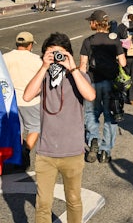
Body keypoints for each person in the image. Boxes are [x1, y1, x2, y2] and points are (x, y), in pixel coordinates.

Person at [23, 32, 95, 223]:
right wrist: (44, 67)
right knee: (43, 204)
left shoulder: (78, 77)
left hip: (72, 152)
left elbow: (90, 96)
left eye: (60, 53)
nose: (56, 58)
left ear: (68, 54)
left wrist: (73, 69)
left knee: (74, 200)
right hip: (46, 153)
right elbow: (27, 96)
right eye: (51, 53)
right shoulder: (44, 77)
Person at [79, 10, 127, 164]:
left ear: (95, 23)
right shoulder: (115, 40)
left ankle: (93, 139)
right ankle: (105, 151)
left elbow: (82, 66)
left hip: (92, 83)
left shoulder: (88, 41)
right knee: (110, 116)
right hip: (110, 84)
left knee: (91, 113)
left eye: (90, 21)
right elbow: (123, 63)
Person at [4, 32, 43, 163]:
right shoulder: (36, 59)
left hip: (11, 101)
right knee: (35, 127)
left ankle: (16, 153)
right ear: (30, 45)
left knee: (17, 128)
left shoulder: (5, 58)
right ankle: (26, 150)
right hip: (31, 101)